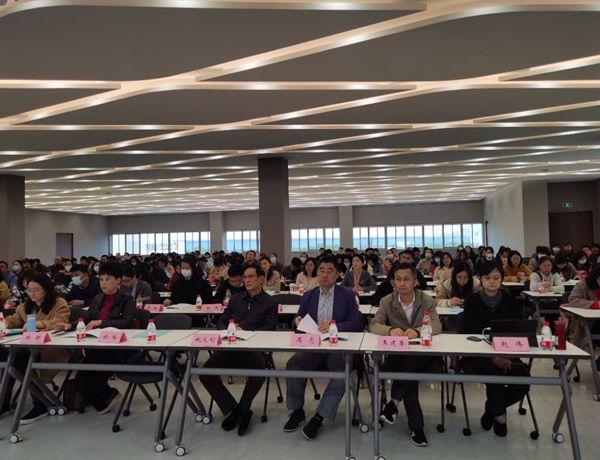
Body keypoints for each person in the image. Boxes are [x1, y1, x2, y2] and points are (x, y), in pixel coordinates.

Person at [284, 255, 361, 440]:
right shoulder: (309, 295)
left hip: (338, 346)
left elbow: (357, 323)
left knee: (342, 372)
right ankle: (297, 411)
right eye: (321, 271)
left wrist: (335, 327)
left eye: (330, 271)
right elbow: (298, 319)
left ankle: (319, 416)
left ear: (338, 274)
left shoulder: (348, 295)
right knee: (293, 365)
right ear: (316, 272)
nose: (325, 275)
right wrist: (297, 321)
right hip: (314, 346)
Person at [199, 265, 277, 436]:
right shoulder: (236, 299)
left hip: (253, 348)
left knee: (259, 371)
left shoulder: (270, 302)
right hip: (230, 347)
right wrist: (227, 330)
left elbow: (270, 327)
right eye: (245, 277)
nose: (247, 280)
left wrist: (245, 331)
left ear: (261, 279)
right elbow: (222, 320)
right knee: (205, 373)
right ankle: (233, 410)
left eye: (251, 276)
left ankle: (244, 408)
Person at [371, 263, 442, 447]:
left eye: (406, 279)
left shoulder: (426, 300)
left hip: (424, 356)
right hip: (399, 356)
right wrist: (390, 330)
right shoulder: (387, 301)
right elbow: (374, 325)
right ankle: (416, 427)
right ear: (393, 282)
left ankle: (394, 403)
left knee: (409, 368)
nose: (402, 283)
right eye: (398, 279)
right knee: (409, 375)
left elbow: (437, 325)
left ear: (415, 282)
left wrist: (418, 331)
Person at [458, 260, 529, 437]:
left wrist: (506, 356)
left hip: (507, 352)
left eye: (496, 278)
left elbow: (517, 332)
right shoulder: (473, 301)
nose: (491, 281)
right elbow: (466, 335)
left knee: (523, 380)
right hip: (476, 355)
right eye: (487, 277)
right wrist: (492, 357)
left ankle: (491, 409)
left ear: (502, 279)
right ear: (481, 279)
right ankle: (499, 417)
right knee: (494, 375)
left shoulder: (511, 301)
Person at [54, 262, 136, 414]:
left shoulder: (127, 300)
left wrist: (101, 323)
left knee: (91, 379)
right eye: (101, 279)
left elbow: (126, 322)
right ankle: (107, 395)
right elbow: (86, 319)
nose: (103, 283)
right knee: (79, 381)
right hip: (96, 346)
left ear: (118, 280)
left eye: (108, 279)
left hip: (116, 349)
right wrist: (69, 326)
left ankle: (103, 399)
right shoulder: (98, 299)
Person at [0, 274, 69, 422]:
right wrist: (4, 323)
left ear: (46, 290)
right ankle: (4, 403)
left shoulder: (59, 303)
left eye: (36, 289)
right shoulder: (25, 306)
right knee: (9, 357)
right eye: (29, 289)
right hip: (29, 346)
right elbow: (13, 320)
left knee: (18, 359)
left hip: (50, 348)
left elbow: (61, 321)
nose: (31, 293)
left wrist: (42, 324)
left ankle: (40, 404)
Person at [567, 264, 600, 348]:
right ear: (595, 277)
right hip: (587, 320)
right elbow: (573, 300)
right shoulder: (582, 285)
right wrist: (594, 304)